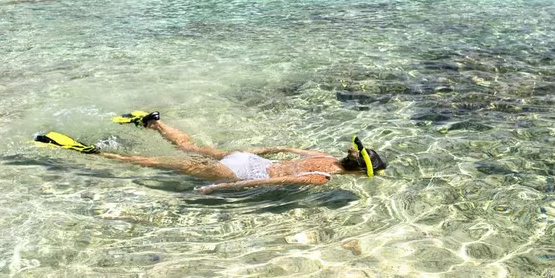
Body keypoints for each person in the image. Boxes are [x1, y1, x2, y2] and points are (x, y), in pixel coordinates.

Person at [34, 112, 387, 193]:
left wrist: (252, 150)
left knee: (186, 147)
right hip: (242, 174)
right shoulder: (322, 177)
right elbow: (262, 186)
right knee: (154, 164)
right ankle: (91, 153)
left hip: (249, 158)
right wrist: (216, 189)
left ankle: (154, 122)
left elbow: (284, 150)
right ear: (359, 174)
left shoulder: (324, 155)